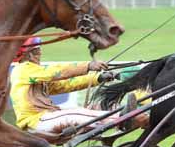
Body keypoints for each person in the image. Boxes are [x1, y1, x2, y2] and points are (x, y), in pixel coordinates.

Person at [10, 37, 145, 135]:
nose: (40, 53)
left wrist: (98, 77)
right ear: (27, 54)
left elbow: (66, 85)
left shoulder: (34, 73)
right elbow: (57, 72)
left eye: (39, 50)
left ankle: (123, 118)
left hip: (45, 118)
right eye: (36, 50)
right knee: (75, 113)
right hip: (36, 121)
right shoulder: (23, 69)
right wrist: (88, 66)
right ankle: (124, 119)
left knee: (85, 111)